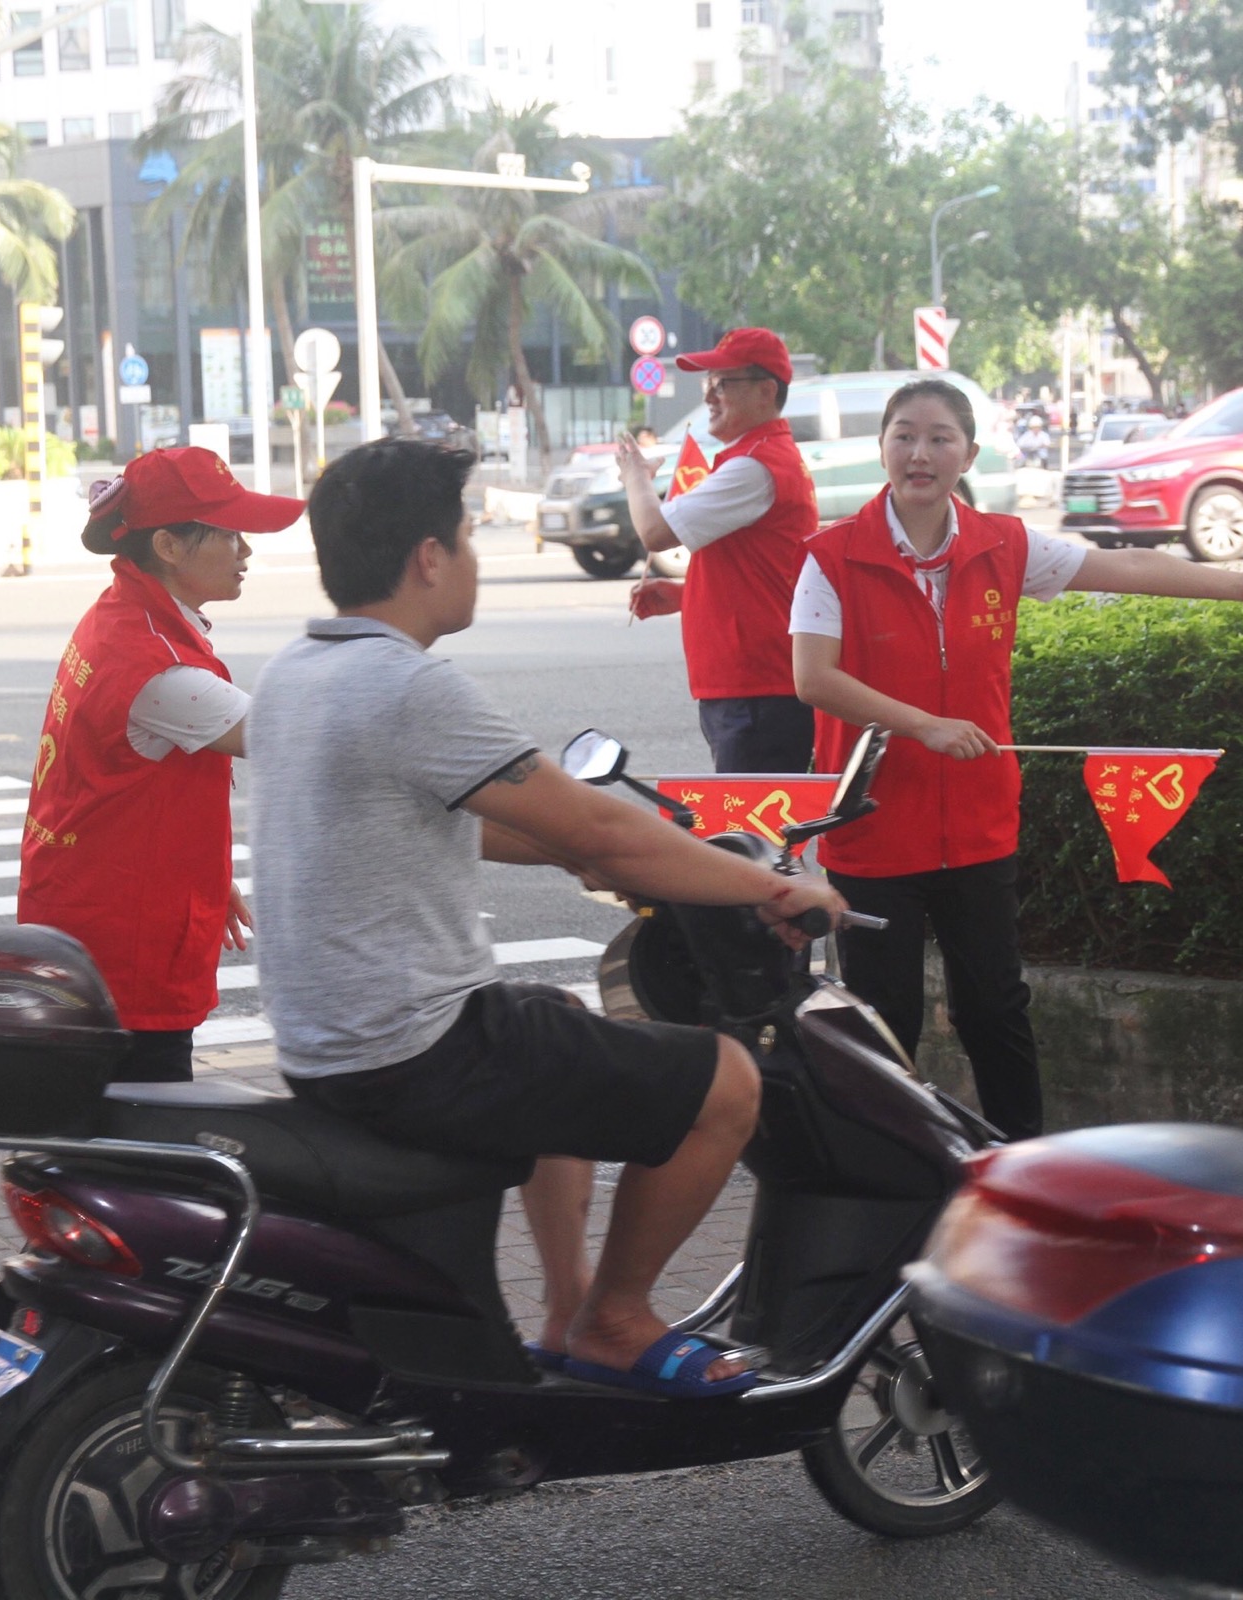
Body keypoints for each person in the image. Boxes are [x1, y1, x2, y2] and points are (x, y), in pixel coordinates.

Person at [250, 436, 846, 1398]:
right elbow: (597, 825)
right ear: (428, 559)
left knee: (561, 1024)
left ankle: (569, 1311)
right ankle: (617, 1318)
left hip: (332, 1041)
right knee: (728, 1082)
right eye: (469, 538)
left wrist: (620, 867)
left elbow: (482, 825)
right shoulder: (409, 686)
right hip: (417, 1049)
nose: (474, 558)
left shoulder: (295, 673)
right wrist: (773, 886)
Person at [791, 378, 1243, 1141]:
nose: (919, 453)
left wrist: (1239, 584)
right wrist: (922, 725)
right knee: (886, 1021)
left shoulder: (1004, 545)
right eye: (903, 435)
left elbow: (1123, 569)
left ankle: (1021, 1165)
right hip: (874, 832)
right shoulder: (830, 557)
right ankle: (885, 1176)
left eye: (939, 437)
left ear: (967, 454)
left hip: (978, 823)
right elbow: (814, 679)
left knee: (995, 1006)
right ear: (881, 447)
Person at [16, 447, 302, 1083]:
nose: (245, 551)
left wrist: (201, 870)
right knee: (141, 1133)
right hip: (123, 941)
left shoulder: (125, 616)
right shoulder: (156, 665)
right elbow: (296, 738)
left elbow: (128, 775)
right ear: (170, 546)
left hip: (96, 906)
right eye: (228, 534)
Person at [616, 327, 818, 775]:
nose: (709, 394)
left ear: (767, 390)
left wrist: (636, 475)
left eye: (723, 383)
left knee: (746, 839)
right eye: (708, 383)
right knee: (755, 835)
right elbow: (762, 573)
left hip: (757, 692)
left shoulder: (755, 466)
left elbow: (654, 531)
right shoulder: (760, 457)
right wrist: (687, 597)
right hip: (755, 688)